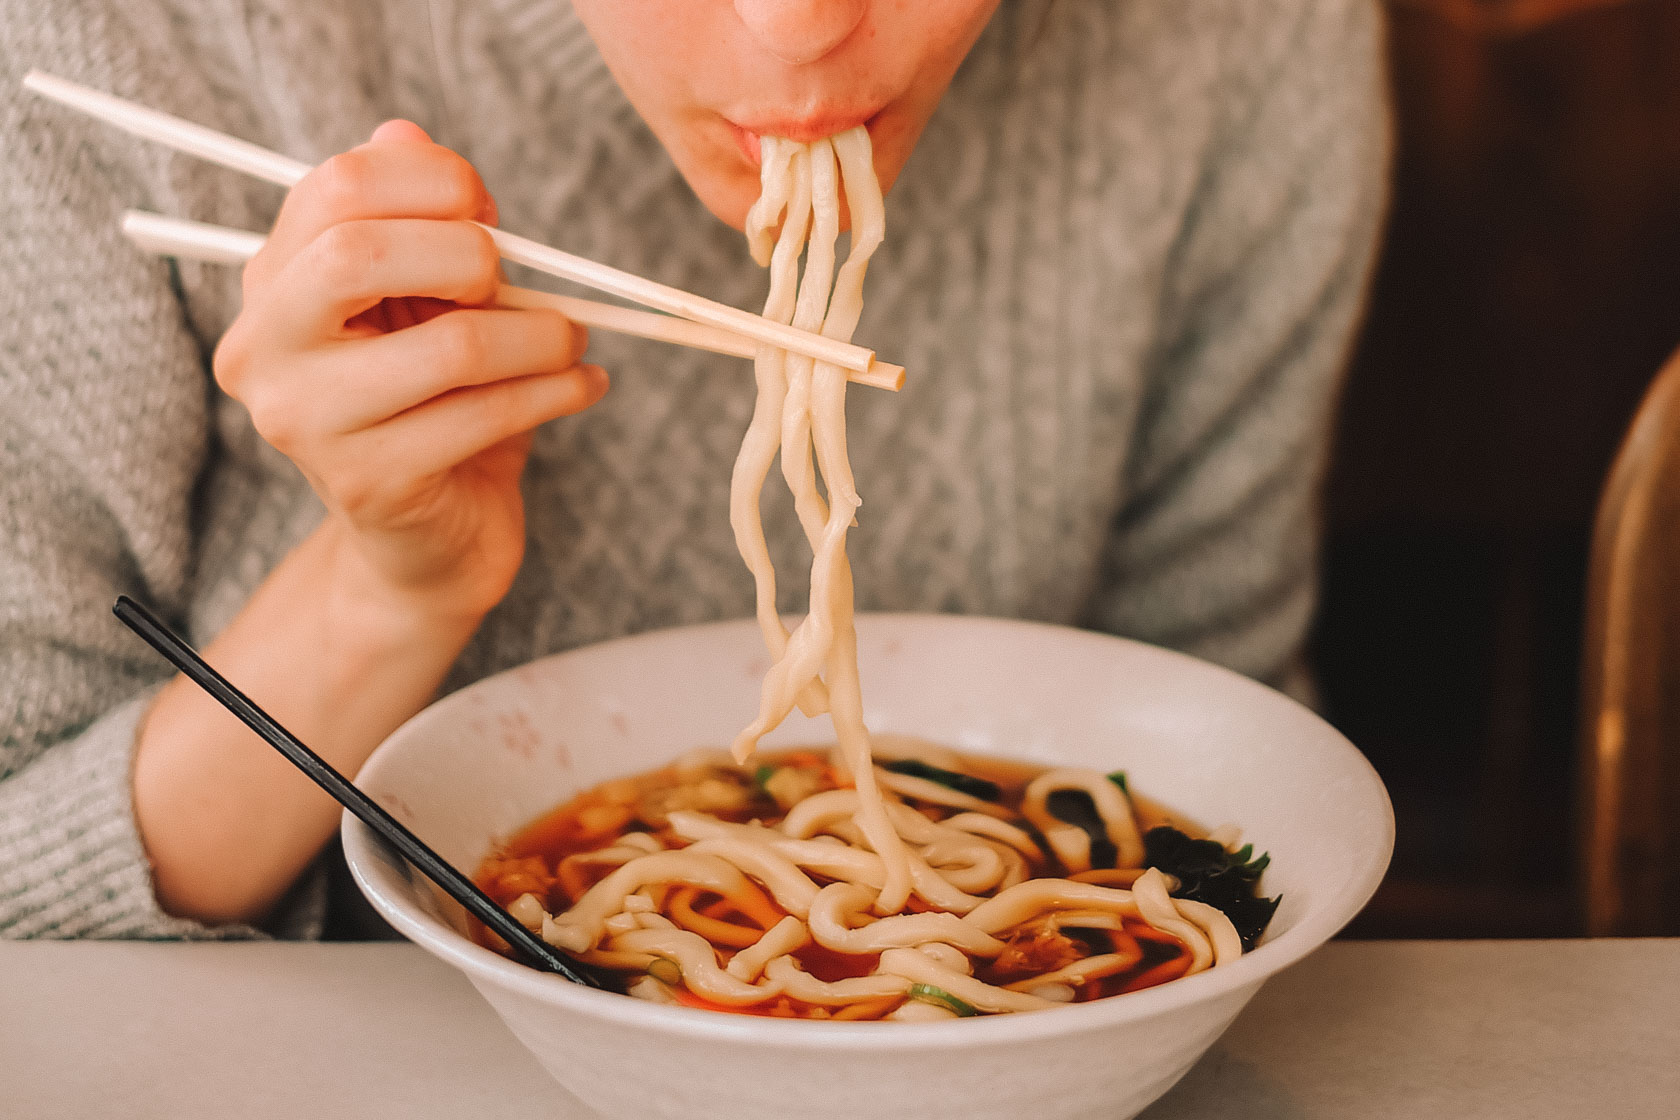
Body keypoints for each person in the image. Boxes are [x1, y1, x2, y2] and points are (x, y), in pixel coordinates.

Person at [0, 0, 1390, 938]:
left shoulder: (1236, 32)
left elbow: (1228, 793)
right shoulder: (121, 46)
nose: (800, 32)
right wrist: (380, 599)